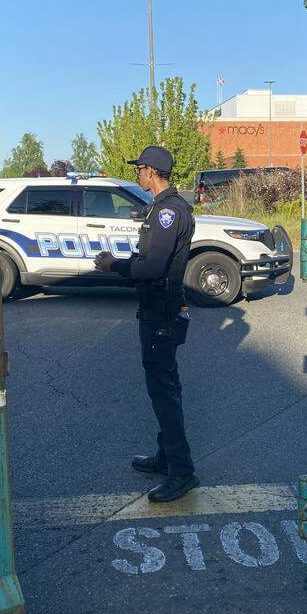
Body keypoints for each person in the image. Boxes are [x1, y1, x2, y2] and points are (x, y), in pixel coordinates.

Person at [94, 145, 197, 502]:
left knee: (163, 391)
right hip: (160, 308)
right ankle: (166, 456)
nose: (137, 174)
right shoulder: (165, 208)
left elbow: (152, 268)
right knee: (165, 384)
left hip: (160, 312)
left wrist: (114, 265)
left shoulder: (168, 212)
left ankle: (181, 472)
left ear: (151, 171)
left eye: (139, 168)